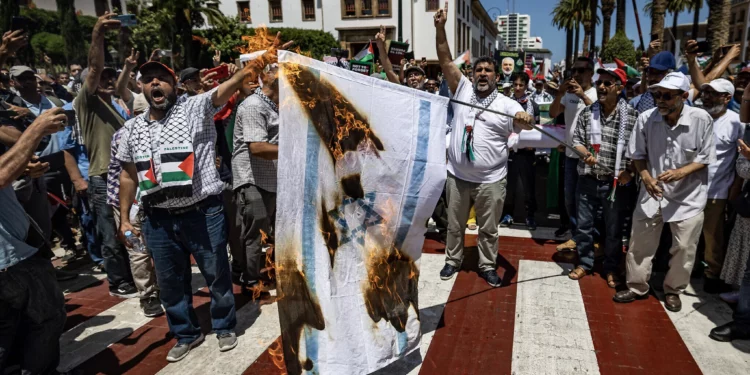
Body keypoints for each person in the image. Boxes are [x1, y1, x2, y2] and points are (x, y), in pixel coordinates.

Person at [433, 2, 534, 287]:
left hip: (491, 181)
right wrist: (440, 29)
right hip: (458, 176)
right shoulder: (462, 88)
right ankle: (452, 260)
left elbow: (522, 121)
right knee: (454, 225)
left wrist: (525, 119)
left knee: (488, 229)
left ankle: (487, 265)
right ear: (472, 74)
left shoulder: (507, 104)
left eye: (488, 70)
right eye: (478, 70)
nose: (482, 74)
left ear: (496, 76)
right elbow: (445, 60)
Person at [614, 72, 715, 312]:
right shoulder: (646, 119)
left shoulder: (702, 119)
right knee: (640, 244)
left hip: (688, 198)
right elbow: (638, 155)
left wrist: (682, 172)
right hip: (652, 193)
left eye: (667, 96)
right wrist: (646, 177)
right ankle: (637, 285)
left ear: (683, 96)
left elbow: (705, 157)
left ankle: (673, 290)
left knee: (684, 248)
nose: (660, 100)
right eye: (657, 94)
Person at [0, 108, 68, 375]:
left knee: (8, 329)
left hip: (14, 252)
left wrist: (22, 168)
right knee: (47, 317)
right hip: (12, 259)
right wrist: (36, 127)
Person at [75, 12, 137, 298]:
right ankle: (118, 280)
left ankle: (133, 274)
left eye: (112, 77)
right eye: (103, 77)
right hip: (101, 178)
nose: (107, 80)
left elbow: (120, 85)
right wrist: (97, 34)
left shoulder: (118, 106)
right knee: (109, 232)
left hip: (126, 176)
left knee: (128, 226)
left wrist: (125, 68)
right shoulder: (87, 103)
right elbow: (94, 66)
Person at [568, 68, 638, 287]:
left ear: (620, 88)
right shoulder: (588, 113)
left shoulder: (633, 117)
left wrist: (631, 171)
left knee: (614, 230)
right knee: (584, 226)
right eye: (600, 82)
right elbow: (577, 140)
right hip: (588, 180)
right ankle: (585, 263)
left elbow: (639, 151)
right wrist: (584, 153)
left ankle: (610, 267)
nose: (601, 87)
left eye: (608, 83)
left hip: (615, 184)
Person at [231, 59, 281, 294]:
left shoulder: (274, 106)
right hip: (252, 179)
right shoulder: (253, 106)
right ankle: (251, 279)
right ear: (269, 76)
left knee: (272, 231)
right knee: (255, 232)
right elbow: (258, 148)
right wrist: (293, 149)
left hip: (272, 179)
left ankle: (266, 272)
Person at [697, 79, 745, 293]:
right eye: (705, 92)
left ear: (727, 98)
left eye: (714, 94)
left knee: (712, 236)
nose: (707, 97)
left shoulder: (737, 123)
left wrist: (733, 192)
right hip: (689, 189)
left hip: (717, 191)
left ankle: (712, 273)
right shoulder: (697, 117)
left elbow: (741, 161)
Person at [548, 56, 597, 249]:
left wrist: (583, 96)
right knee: (570, 200)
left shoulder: (596, 93)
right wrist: (559, 94)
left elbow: (599, 115)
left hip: (590, 158)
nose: (575, 74)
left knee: (587, 202)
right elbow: (553, 113)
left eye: (580, 71)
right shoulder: (568, 94)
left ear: (591, 73)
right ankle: (577, 237)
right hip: (570, 157)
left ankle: (589, 239)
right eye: (573, 71)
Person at [501, 72, 539, 230]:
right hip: (510, 151)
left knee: (528, 186)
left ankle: (530, 216)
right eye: (515, 85)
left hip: (527, 152)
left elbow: (537, 128)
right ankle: (507, 215)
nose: (517, 88)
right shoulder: (506, 104)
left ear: (526, 86)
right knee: (508, 186)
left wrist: (532, 144)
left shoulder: (532, 105)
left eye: (521, 85)